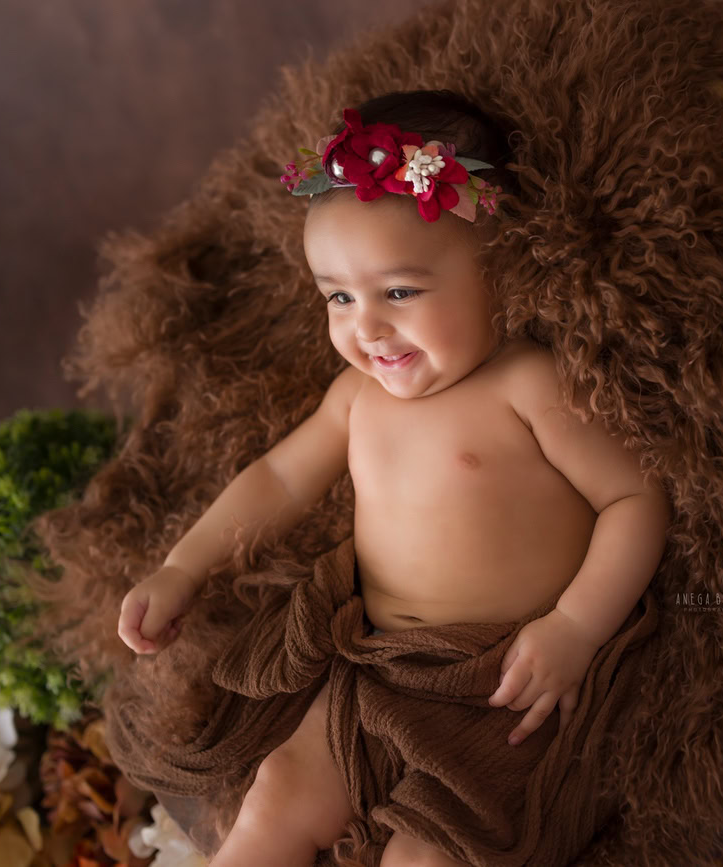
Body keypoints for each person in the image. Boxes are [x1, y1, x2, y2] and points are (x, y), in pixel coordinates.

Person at [114, 89, 672, 867]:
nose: (365, 326)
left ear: (498, 270)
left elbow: (634, 497)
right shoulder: (354, 398)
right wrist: (184, 566)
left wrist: (576, 626)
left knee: (429, 854)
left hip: (504, 677)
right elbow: (276, 478)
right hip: (374, 662)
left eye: (399, 292)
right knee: (277, 792)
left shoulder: (530, 386)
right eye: (338, 296)